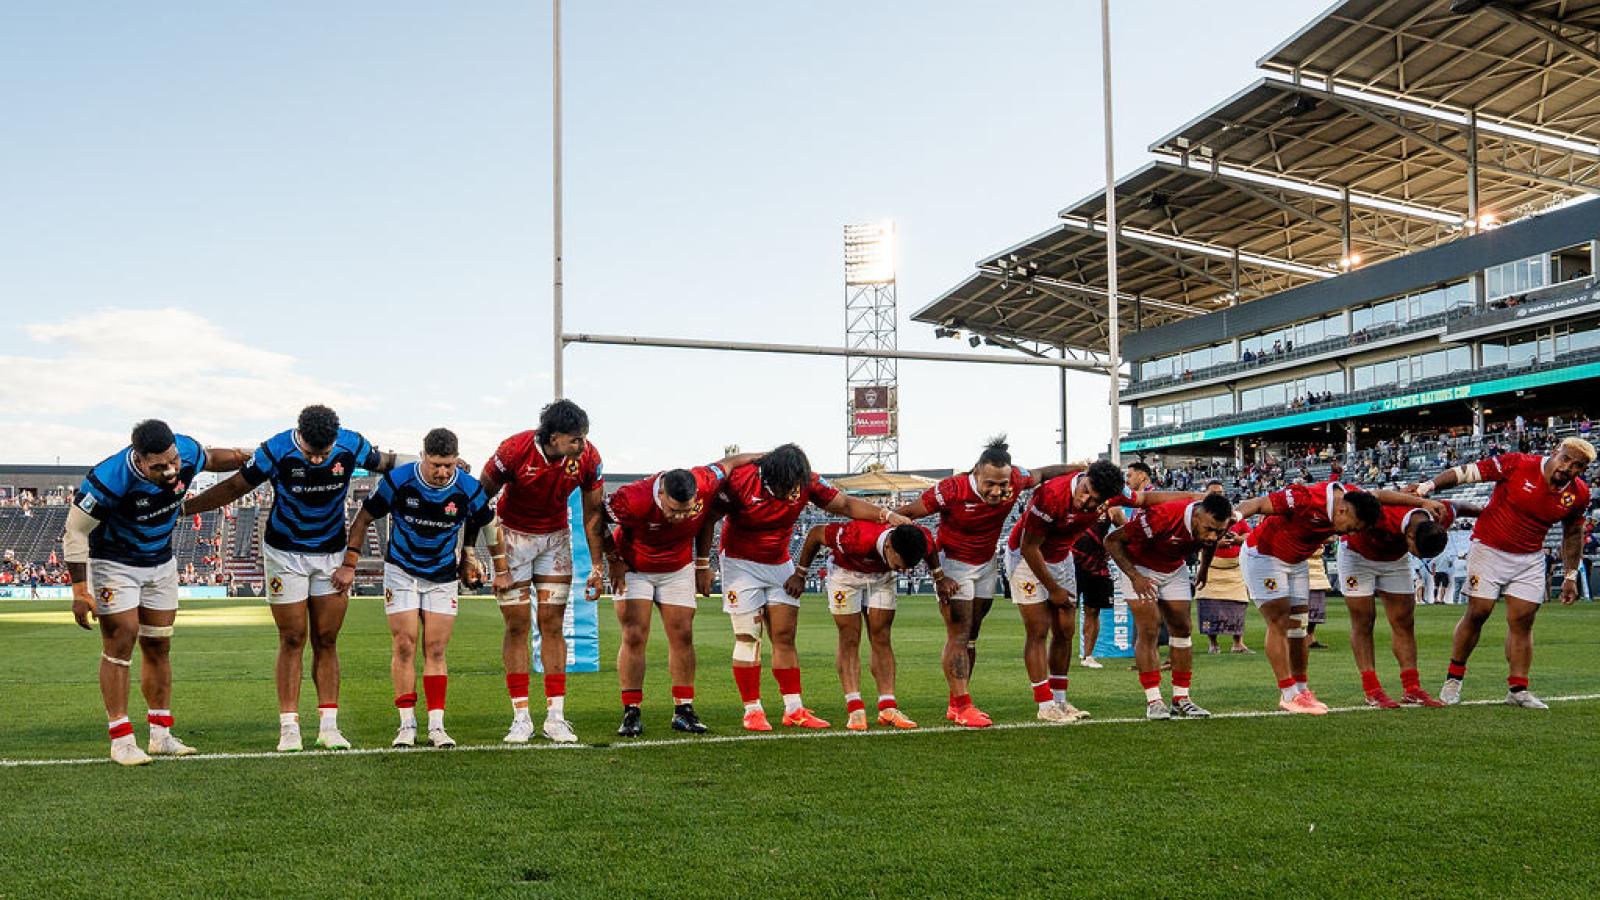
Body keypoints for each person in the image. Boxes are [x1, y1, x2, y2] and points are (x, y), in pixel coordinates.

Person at [182, 404, 396, 752]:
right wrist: (186, 508)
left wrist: (429, 461)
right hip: (284, 553)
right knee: (293, 638)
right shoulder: (276, 449)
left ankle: (329, 726)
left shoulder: (351, 444)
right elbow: (235, 487)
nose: (316, 461)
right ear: (300, 438)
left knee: (326, 639)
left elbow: (387, 462)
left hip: (330, 552)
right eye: (311, 454)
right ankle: (289, 728)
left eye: (324, 454)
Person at [64, 420, 249, 766]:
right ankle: (121, 740)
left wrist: (246, 456)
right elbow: (75, 531)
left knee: (159, 643)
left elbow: (210, 456)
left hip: (161, 561)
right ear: (139, 458)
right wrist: (79, 589)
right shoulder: (108, 479)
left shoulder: (186, 450)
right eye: (158, 466)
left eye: (173, 461)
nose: (170, 471)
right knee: (121, 641)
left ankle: (161, 735)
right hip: (115, 562)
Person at [706, 443, 909, 732]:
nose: (792, 494)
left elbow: (846, 505)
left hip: (779, 561)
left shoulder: (807, 481)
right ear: (769, 476)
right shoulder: (741, 479)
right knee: (748, 637)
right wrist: (703, 563)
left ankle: (794, 708)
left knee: (785, 635)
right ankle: (752, 709)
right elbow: (709, 517)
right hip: (740, 563)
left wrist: (886, 516)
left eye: (795, 489)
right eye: (785, 488)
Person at [890, 437, 1070, 726]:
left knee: (972, 635)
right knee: (959, 635)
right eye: (990, 484)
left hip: (986, 563)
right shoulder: (952, 489)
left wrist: (1079, 467)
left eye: (1002, 484)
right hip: (954, 565)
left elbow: (1044, 473)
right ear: (975, 472)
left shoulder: (1017, 479)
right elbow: (906, 515)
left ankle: (956, 703)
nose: (997, 491)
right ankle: (963, 706)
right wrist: (934, 571)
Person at [335, 428, 491, 749]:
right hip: (401, 570)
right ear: (423, 457)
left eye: (448, 465)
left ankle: (437, 727)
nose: (442, 471)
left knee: (435, 649)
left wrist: (475, 556)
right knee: (405, 644)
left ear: (456, 460)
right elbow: (364, 518)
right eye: (435, 464)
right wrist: (350, 562)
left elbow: (486, 520)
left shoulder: (467, 488)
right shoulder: (399, 481)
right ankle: (407, 725)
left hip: (442, 575)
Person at [1232, 480, 1441, 714]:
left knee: (1299, 628)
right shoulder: (1306, 498)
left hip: (1297, 561)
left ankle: (1302, 690)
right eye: (1352, 527)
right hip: (1264, 554)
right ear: (1342, 510)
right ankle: (1288, 693)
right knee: (1279, 621)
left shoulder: (1353, 496)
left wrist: (1422, 501)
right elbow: (1259, 503)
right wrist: (1235, 515)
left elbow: (1380, 495)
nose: (1350, 533)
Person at [1419, 438, 1594, 707]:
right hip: (1489, 546)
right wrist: (1430, 485)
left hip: (1529, 557)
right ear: (1555, 451)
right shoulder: (1518, 463)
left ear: (1582, 470)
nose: (1569, 467)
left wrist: (1570, 575)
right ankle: (1454, 678)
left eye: (1577, 466)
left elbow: (1573, 533)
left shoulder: (1579, 494)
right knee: (1479, 611)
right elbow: (1468, 472)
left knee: (1523, 620)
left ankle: (1518, 689)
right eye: (1566, 459)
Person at [1004, 462, 1181, 724]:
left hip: (1061, 557)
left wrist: (1198, 497)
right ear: (1084, 479)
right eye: (1085, 491)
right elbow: (1029, 547)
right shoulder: (1052, 495)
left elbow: (1145, 498)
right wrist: (1053, 590)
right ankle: (1044, 704)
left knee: (1065, 630)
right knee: (1039, 629)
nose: (1086, 500)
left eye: (1095, 500)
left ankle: (1060, 701)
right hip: (1025, 558)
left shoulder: (1113, 492)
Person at [602, 450, 763, 737]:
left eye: (686, 510)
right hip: (634, 566)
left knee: (683, 635)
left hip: (677, 566)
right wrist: (612, 560)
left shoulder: (704, 481)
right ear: (661, 493)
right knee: (634, 634)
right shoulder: (632, 498)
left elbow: (731, 462)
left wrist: (768, 455)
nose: (680, 517)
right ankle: (631, 711)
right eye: (673, 510)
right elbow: (595, 520)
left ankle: (684, 710)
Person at [478, 400, 607, 745]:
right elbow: (478, 501)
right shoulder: (514, 450)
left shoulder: (588, 458)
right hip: (513, 539)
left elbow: (594, 515)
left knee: (552, 623)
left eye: (584, 438)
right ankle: (520, 717)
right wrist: (478, 555)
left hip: (555, 541)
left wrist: (597, 566)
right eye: (574, 440)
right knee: (517, 624)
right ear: (553, 437)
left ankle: (555, 717)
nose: (581, 446)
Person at [794, 520, 937, 730]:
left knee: (881, 636)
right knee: (849, 637)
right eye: (902, 563)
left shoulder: (919, 537)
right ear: (889, 546)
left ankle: (887, 707)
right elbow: (816, 533)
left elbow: (931, 550)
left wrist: (939, 576)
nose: (905, 570)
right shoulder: (856, 536)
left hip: (881, 578)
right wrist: (800, 573)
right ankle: (855, 709)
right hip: (846, 575)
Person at [1104, 493, 1234, 719]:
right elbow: (1112, 541)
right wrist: (1135, 577)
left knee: (1183, 628)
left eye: (1219, 531)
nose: (1213, 536)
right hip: (1140, 567)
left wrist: (1204, 568)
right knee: (1150, 628)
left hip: (1173, 569)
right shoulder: (1162, 517)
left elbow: (1210, 544)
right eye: (1209, 529)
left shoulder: (1219, 522)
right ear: (1196, 515)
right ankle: (1154, 701)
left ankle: (1181, 699)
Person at [1338, 499, 1479, 708]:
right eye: (1417, 552)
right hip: (1357, 556)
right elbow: (1360, 501)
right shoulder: (1382, 514)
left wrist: (1486, 513)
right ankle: (1372, 690)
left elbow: (1460, 507)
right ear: (1410, 536)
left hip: (1394, 560)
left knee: (1404, 621)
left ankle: (1412, 688)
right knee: (1364, 620)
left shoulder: (1439, 515)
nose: (1418, 557)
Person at [1196, 484, 1253, 654]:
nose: (1218, 495)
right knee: (1208, 607)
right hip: (1211, 567)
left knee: (1238, 604)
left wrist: (1238, 539)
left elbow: (1250, 535)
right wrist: (1215, 543)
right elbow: (1193, 540)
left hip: (1234, 568)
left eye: (1220, 492)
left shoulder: (1235, 516)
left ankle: (1238, 643)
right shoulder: (1198, 516)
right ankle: (1213, 643)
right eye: (1214, 493)